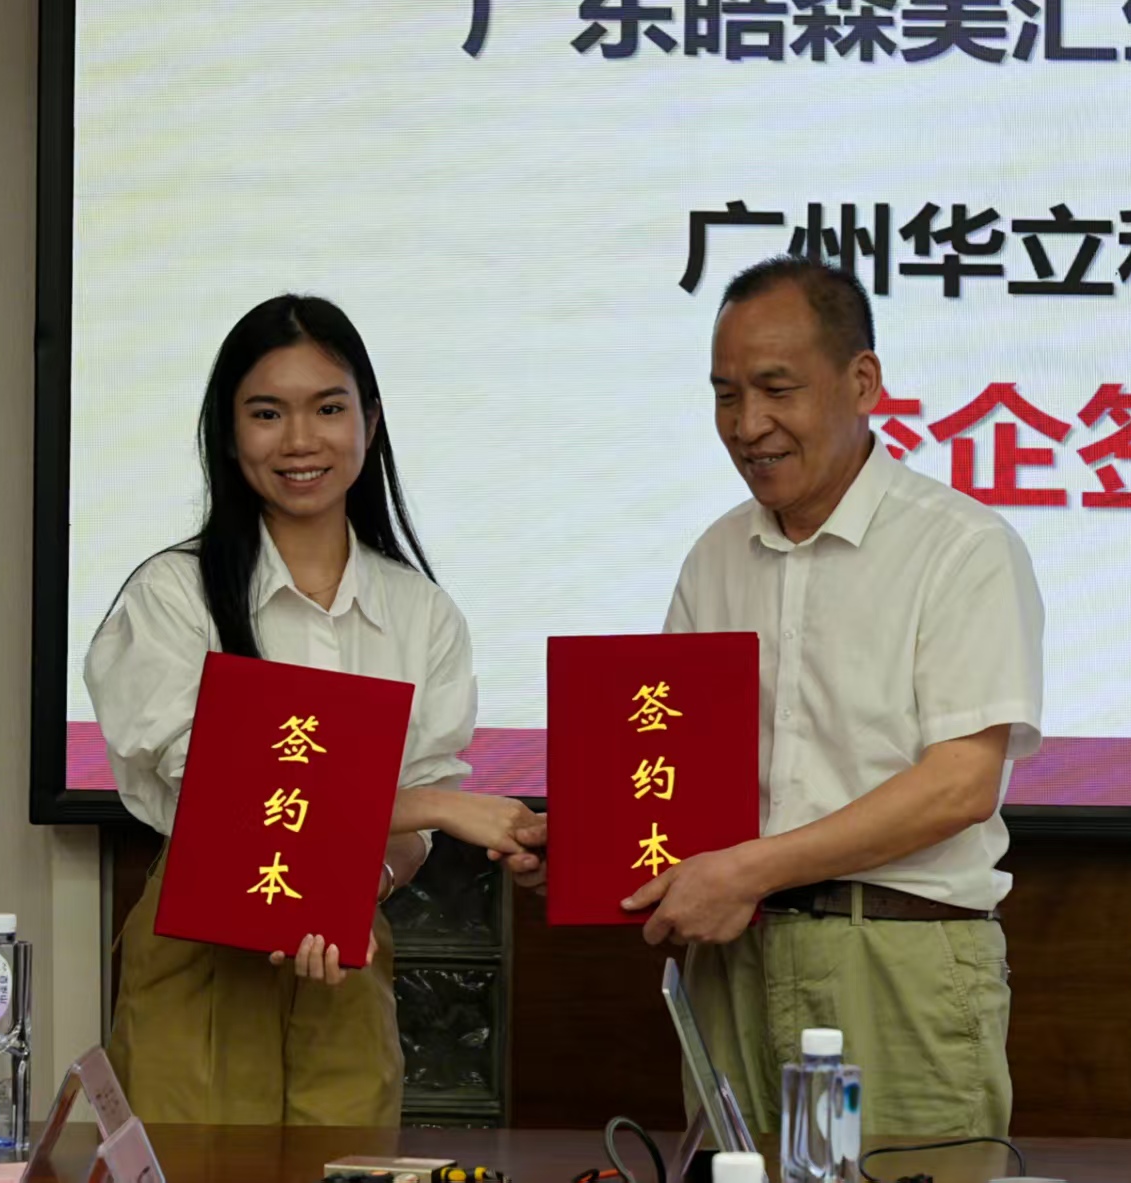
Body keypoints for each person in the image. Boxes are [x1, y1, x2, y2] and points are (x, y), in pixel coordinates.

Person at [85, 293, 538, 1126]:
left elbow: (409, 835)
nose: (300, 439)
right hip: (198, 953)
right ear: (229, 433)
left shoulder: (423, 613)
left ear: (370, 420)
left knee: (346, 1166)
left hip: (345, 952)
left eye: (329, 408)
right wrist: (435, 804)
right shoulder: (172, 595)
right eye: (267, 413)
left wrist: (352, 888)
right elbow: (221, 794)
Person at [622, 256, 1044, 1138]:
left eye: (778, 389)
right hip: (733, 959)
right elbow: (673, 765)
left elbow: (961, 784)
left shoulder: (961, 547)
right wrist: (600, 838)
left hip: (896, 958)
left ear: (863, 382)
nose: (749, 425)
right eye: (726, 395)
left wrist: (752, 869)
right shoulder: (715, 556)